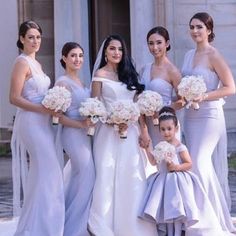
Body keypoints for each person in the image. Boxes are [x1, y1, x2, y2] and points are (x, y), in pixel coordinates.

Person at [88, 34, 157, 236]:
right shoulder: (99, 74)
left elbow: (138, 108)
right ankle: (103, 226)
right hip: (108, 133)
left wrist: (144, 132)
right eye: (112, 49)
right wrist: (112, 120)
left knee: (131, 175)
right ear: (105, 52)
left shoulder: (130, 75)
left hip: (132, 133)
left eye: (119, 49)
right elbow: (95, 106)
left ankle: (133, 226)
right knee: (106, 175)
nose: (116, 52)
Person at [139, 106, 232, 236]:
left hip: (177, 182)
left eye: (169, 129)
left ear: (176, 128)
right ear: (159, 130)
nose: (166, 132)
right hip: (163, 181)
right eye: (163, 129)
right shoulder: (160, 146)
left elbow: (189, 164)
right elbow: (153, 162)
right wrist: (147, 148)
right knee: (165, 207)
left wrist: (176, 167)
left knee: (177, 206)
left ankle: (179, 231)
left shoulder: (180, 147)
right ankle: (167, 231)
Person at [181, 12, 236, 233]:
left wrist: (202, 96)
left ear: (209, 30)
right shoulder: (187, 55)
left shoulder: (214, 55)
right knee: (193, 164)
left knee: (199, 162)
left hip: (209, 116)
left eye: (200, 27)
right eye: (192, 26)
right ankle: (200, 213)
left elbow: (230, 87)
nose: (195, 31)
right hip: (191, 117)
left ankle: (207, 222)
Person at [9, 21, 65, 235]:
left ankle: (36, 226)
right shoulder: (22, 62)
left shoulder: (37, 64)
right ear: (22, 39)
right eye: (30, 37)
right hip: (31, 123)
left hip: (43, 122)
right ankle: (45, 227)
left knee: (42, 174)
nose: (35, 41)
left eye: (38, 37)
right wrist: (43, 109)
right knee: (50, 171)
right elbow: (13, 98)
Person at [55, 42, 95, 236]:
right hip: (72, 134)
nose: (77, 59)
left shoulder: (81, 82)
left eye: (80, 55)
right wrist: (80, 124)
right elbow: (57, 116)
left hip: (85, 134)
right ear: (64, 58)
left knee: (80, 178)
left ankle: (68, 221)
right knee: (87, 175)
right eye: (73, 55)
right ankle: (73, 229)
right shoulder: (62, 83)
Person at [139, 26, 182, 147]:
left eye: (159, 43)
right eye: (151, 43)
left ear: (167, 43)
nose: (155, 47)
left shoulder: (173, 71)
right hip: (147, 124)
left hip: (166, 124)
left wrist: (163, 110)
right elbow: (138, 97)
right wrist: (143, 129)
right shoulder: (144, 69)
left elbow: (182, 101)